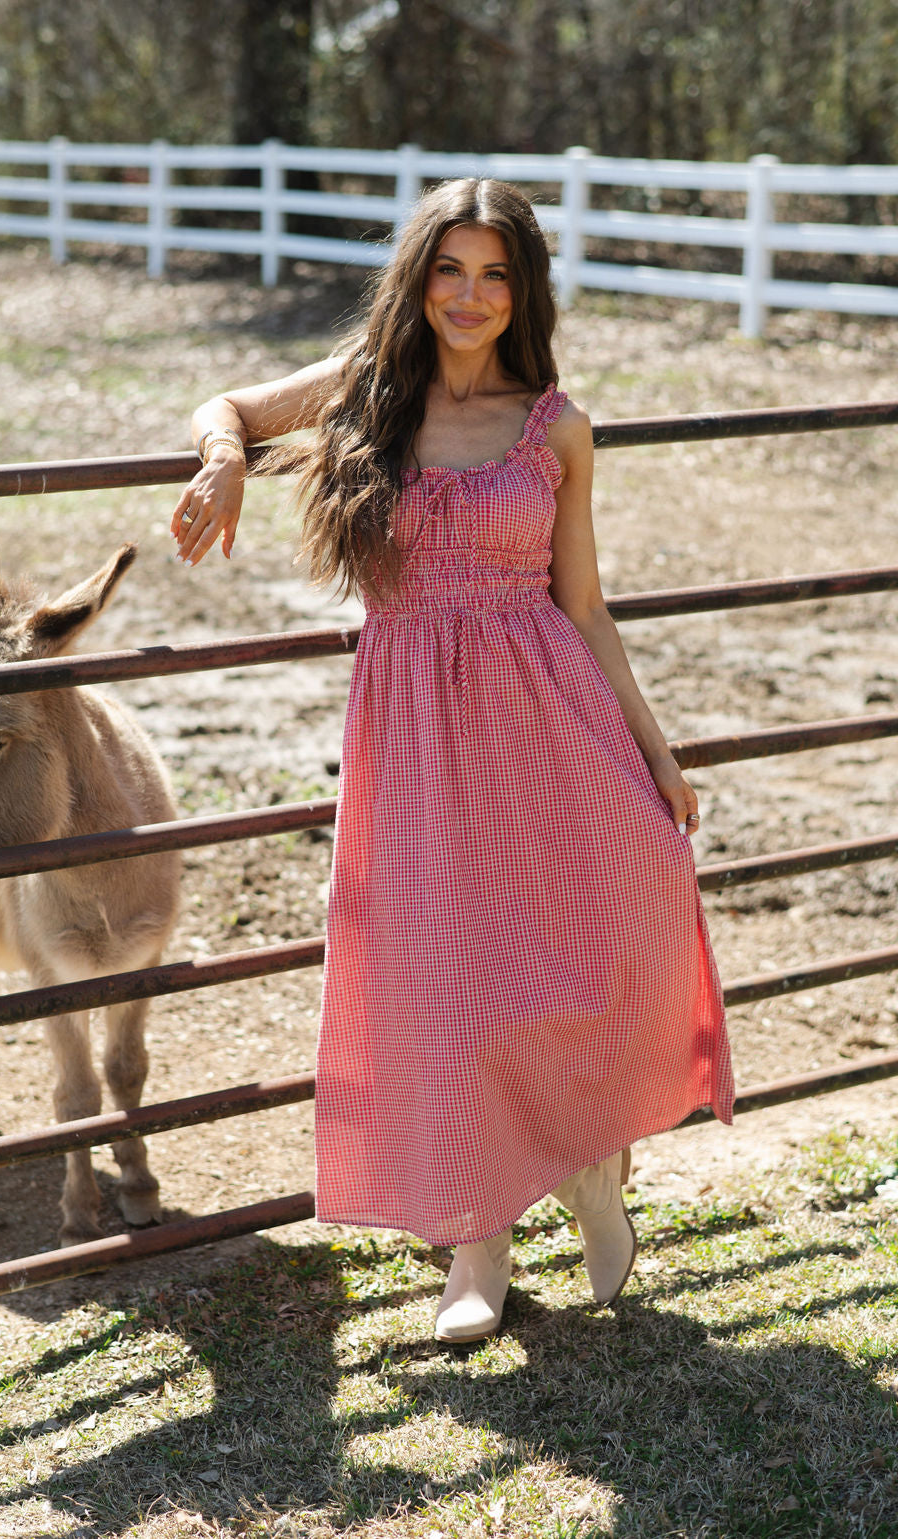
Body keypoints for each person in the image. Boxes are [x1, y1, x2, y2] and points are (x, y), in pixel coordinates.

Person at [171, 178, 734, 1344]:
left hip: (551, 723)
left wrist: (656, 752)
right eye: (448, 270)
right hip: (417, 736)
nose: (469, 296)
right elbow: (224, 400)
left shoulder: (556, 425)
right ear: (417, 279)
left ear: (521, 291)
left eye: (494, 275)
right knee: (445, 974)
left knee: (579, 950)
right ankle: (475, 1248)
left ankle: (591, 1172)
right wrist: (224, 460)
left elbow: (583, 606)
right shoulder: (370, 393)